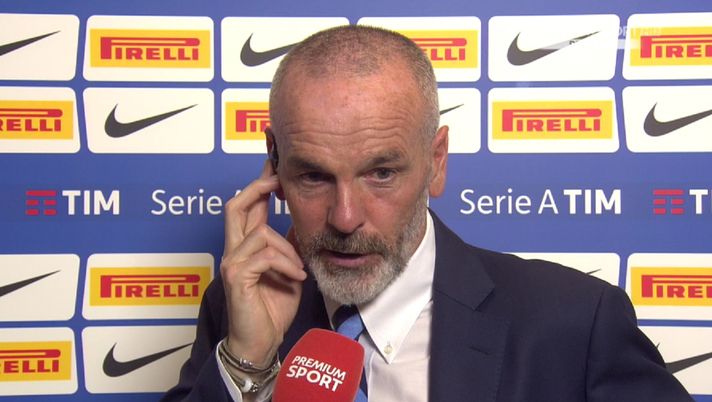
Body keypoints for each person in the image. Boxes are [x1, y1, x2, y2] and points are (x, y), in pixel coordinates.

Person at [162, 25, 693, 402]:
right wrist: (249, 362)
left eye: (381, 173)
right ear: (275, 166)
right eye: (314, 177)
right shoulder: (237, 309)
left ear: (436, 162)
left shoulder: (574, 322)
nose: (345, 218)